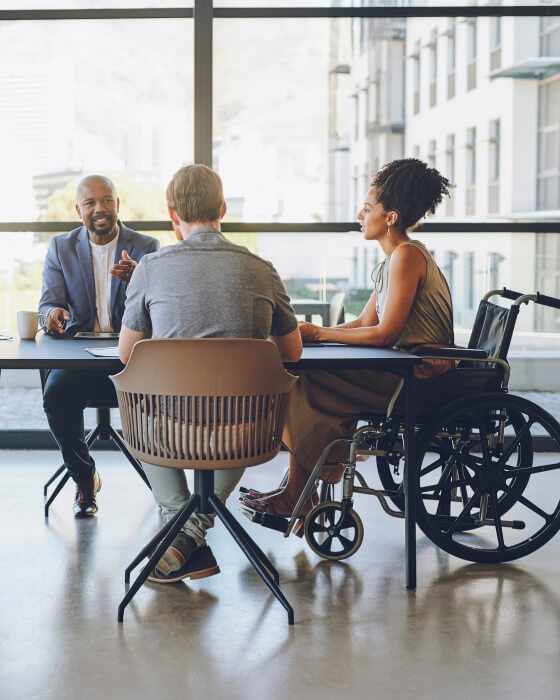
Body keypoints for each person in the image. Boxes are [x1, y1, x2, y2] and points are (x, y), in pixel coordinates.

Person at [118, 163, 302, 583]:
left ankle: (179, 528)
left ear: (171, 214)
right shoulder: (263, 269)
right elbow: (292, 351)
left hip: (167, 432)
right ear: (222, 207)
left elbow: (127, 353)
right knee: (244, 404)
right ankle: (189, 534)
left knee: (135, 392)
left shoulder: (150, 268)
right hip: (246, 432)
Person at [242, 157, 454, 520]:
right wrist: (312, 335)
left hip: (421, 375)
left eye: (368, 208)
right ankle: (300, 489)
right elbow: (363, 322)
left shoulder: (406, 256)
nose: (360, 213)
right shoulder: (394, 259)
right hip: (405, 368)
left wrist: (321, 333)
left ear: (391, 218)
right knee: (308, 377)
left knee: (307, 381)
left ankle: (298, 494)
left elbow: (386, 334)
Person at [39, 175, 159, 517]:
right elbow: (47, 304)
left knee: (164, 394)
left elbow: (164, 308)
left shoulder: (147, 247)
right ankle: (85, 477)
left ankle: (166, 484)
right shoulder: (61, 248)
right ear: (79, 210)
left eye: (107, 200)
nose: (100, 209)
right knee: (55, 396)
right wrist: (53, 314)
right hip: (81, 356)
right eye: (90, 203)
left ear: (118, 204)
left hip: (132, 356)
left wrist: (140, 279)